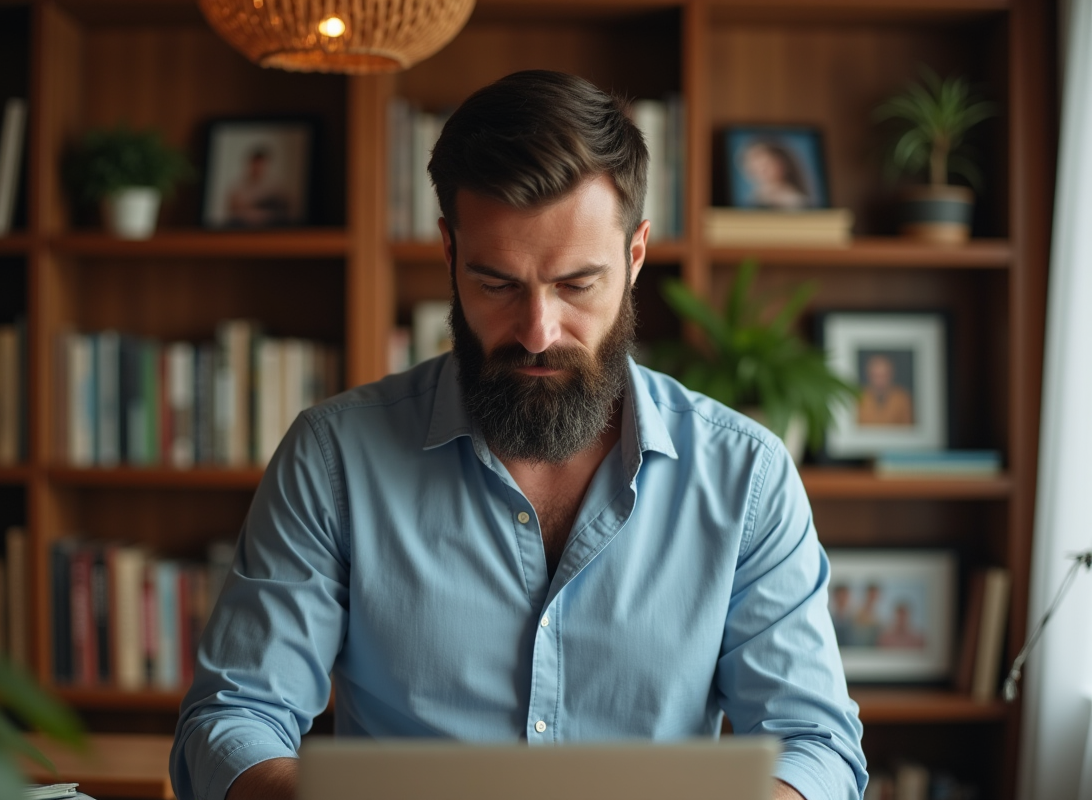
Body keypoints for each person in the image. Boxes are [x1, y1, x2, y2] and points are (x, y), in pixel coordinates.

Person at [170, 70, 866, 800]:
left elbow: (813, 743)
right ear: (448, 254)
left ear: (634, 258)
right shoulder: (334, 457)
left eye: (576, 284)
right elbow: (233, 715)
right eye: (498, 284)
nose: (538, 332)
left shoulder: (745, 478)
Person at [226, 145, 295, 227]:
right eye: (256, 164)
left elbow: (283, 208)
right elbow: (235, 208)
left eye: (261, 164)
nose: (258, 168)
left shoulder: (275, 186)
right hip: (245, 222)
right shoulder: (238, 185)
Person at [738, 139, 812, 209]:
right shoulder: (754, 199)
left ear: (784, 165)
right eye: (755, 166)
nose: (761, 169)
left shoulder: (796, 200)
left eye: (767, 164)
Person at [856, 354, 913, 426]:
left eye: (884, 375)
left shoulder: (903, 398)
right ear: (869, 376)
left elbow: (909, 429)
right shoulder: (858, 397)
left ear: (891, 375)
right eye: (876, 376)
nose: (880, 381)